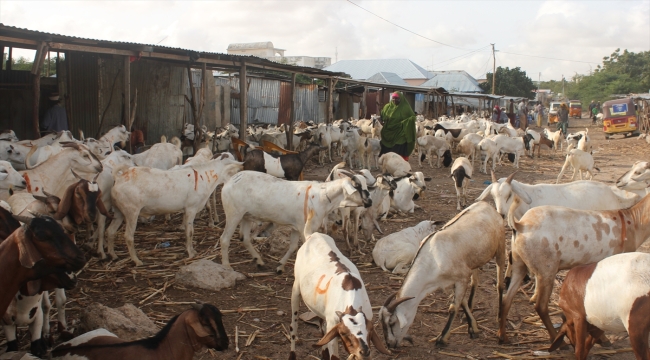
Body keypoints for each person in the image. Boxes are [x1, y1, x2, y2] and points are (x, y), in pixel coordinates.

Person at [379, 92, 416, 161]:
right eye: (393, 98)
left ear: (401, 99)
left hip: (400, 133)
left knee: (398, 148)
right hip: (388, 132)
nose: (395, 100)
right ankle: (387, 164)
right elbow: (382, 116)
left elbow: (412, 117)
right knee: (387, 151)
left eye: (397, 98)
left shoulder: (405, 108)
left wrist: (406, 122)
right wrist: (382, 120)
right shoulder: (387, 107)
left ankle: (399, 164)